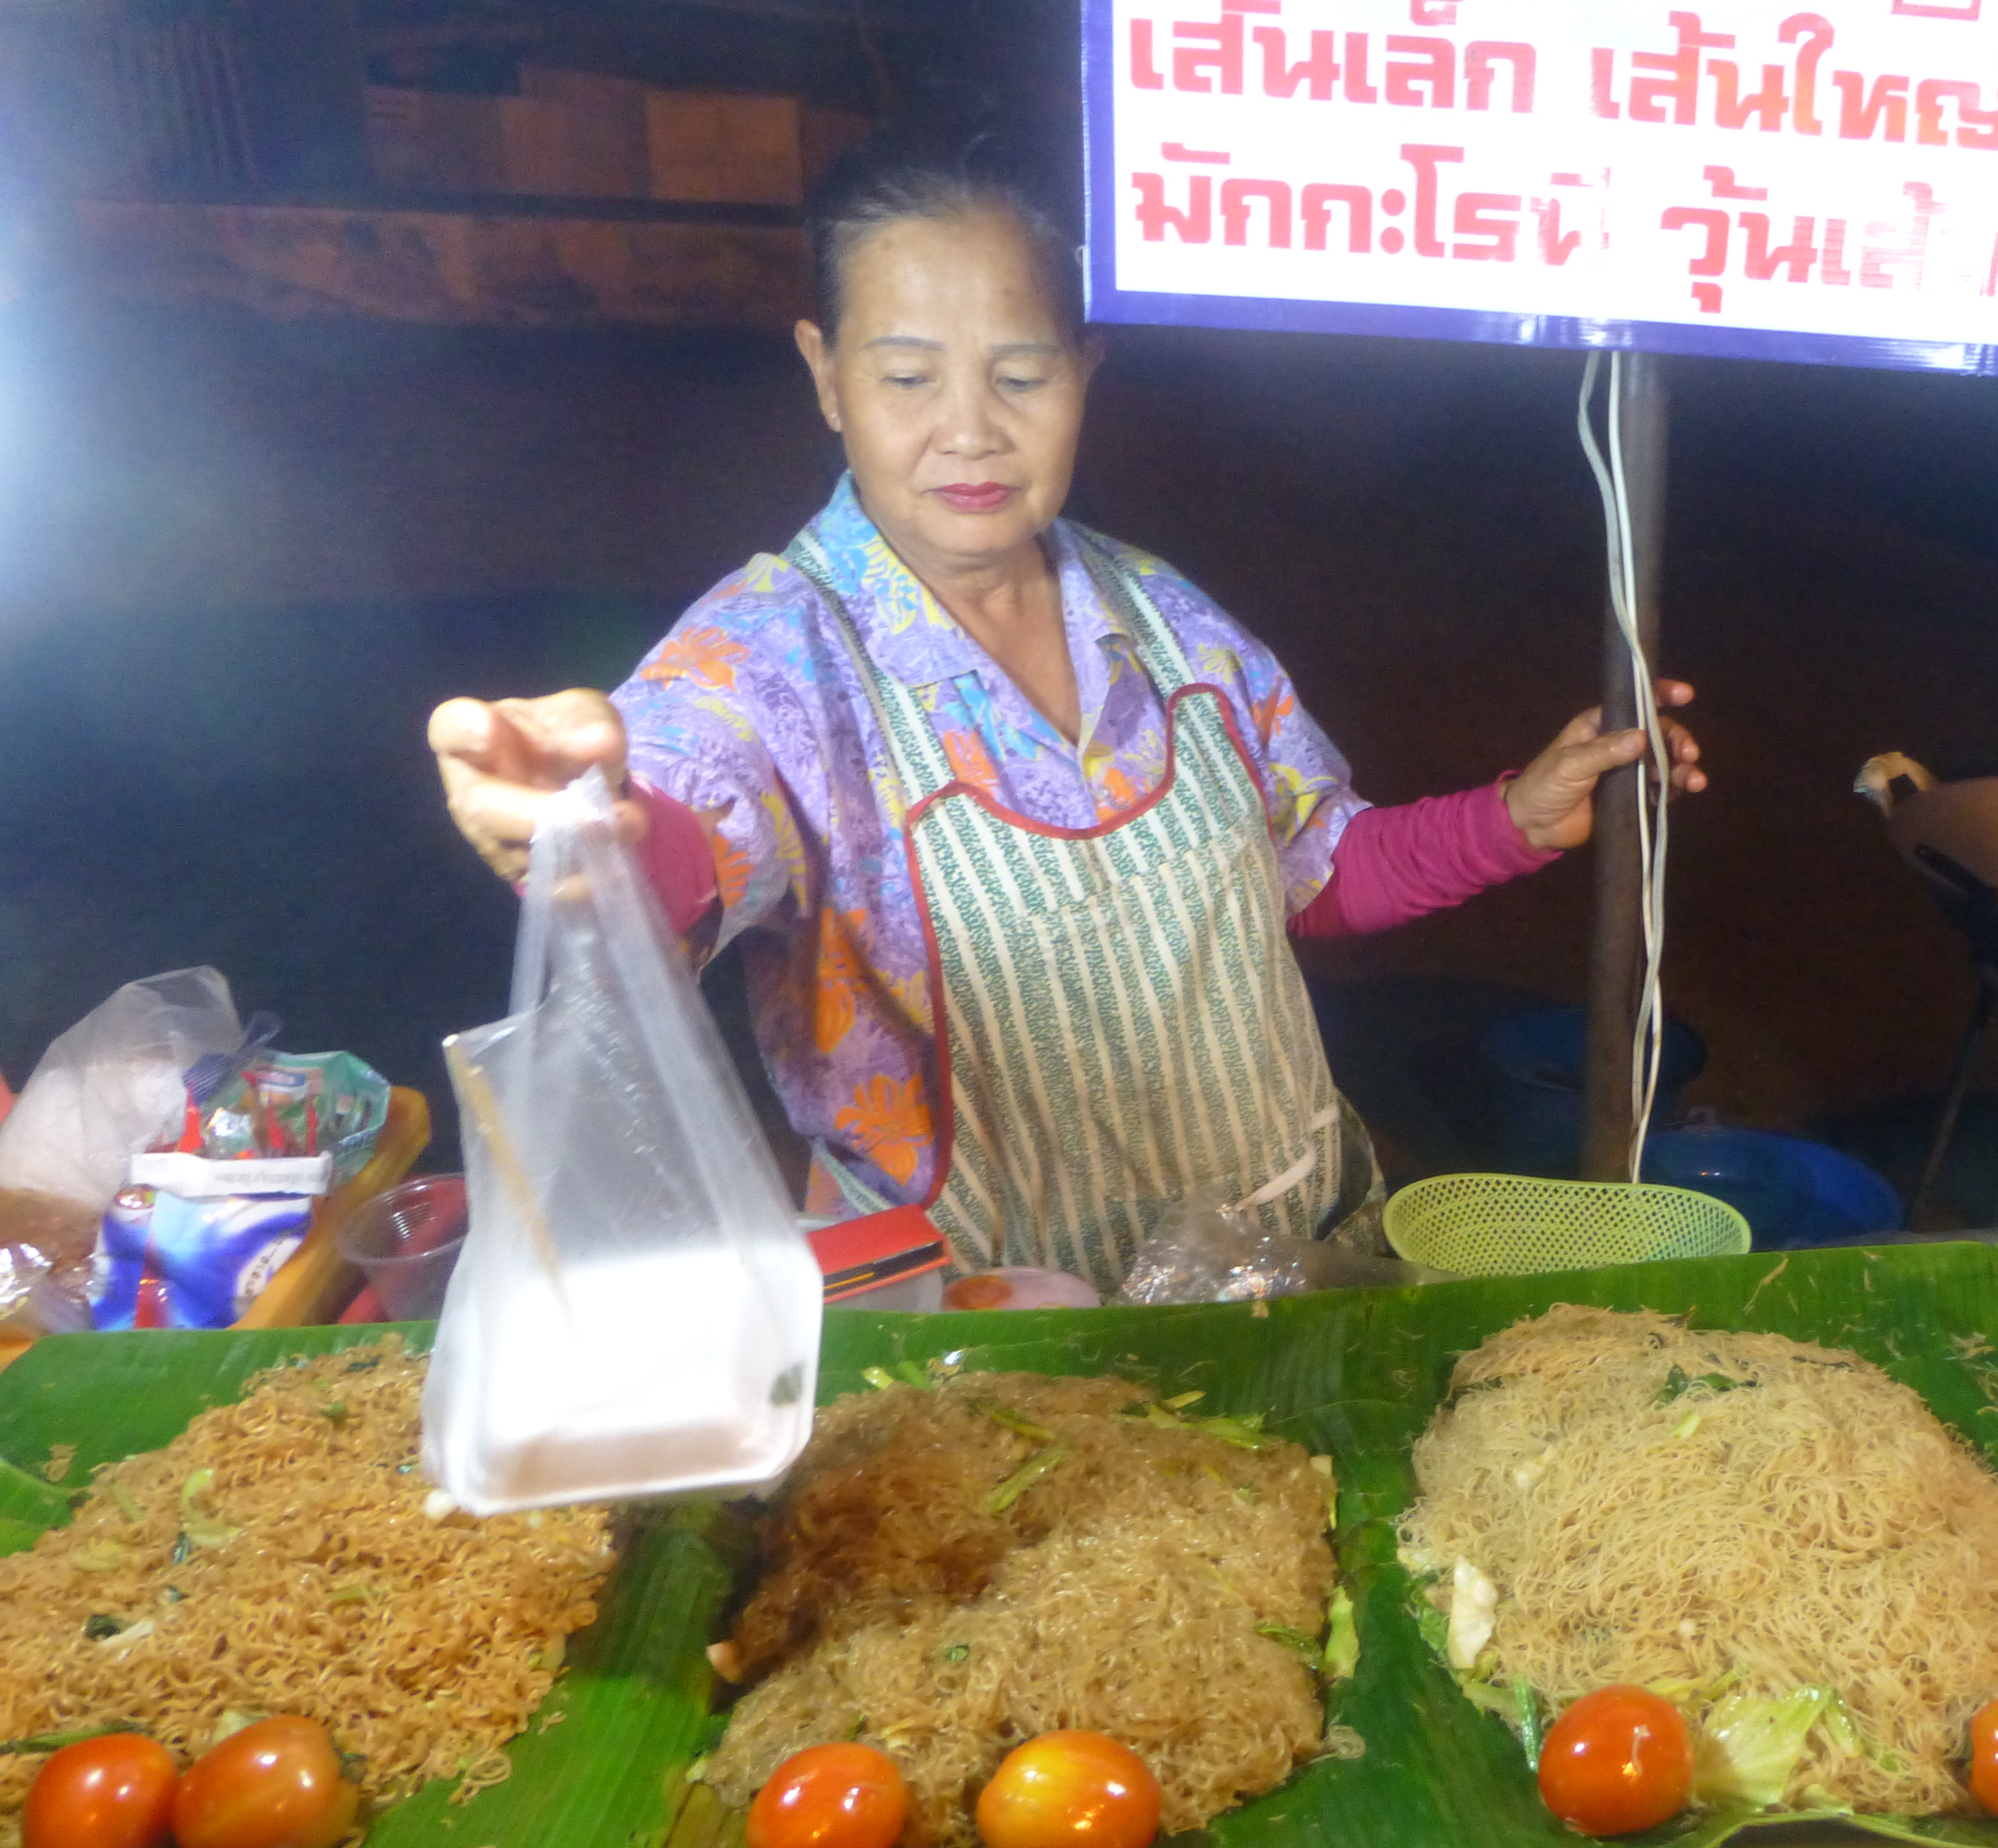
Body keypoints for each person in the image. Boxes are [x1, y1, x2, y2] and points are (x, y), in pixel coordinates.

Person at [430, 132, 1703, 1290]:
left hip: (1286, 1268)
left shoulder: (1168, 624)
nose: (970, 432)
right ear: (825, 375)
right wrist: (589, 831)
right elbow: (678, 833)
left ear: (1087, 369)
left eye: (1023, 375)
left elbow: (1314, 872)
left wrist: (1514, 820)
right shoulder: (765, 661)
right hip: (996, 1333)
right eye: (908, 376)